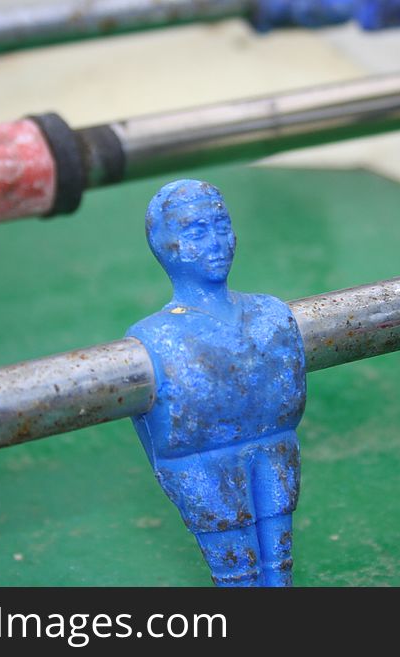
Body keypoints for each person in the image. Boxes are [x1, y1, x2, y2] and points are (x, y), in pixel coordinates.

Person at [127, 179, 306, 586]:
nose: (217, 241)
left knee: (278, 565)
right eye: (196, 231)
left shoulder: (271, 313)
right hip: (200, 469)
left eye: (222, 225)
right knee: (237, 573)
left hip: (275, 450)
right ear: (163, 244)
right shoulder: (153, 338)